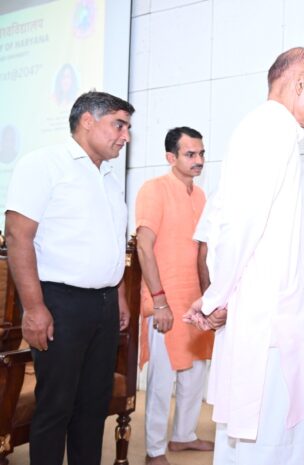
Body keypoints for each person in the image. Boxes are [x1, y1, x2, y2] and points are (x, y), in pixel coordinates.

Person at [183, 47, 304, 465]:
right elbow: (237, 227)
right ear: (299, 83)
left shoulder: (268, 130)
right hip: (267, 321)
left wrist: (219, 295)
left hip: (268, 316)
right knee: (264, 445)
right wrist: (216, 298)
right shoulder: (271, 129)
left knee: (267, 443)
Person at [4, 91, 133, 465]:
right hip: (60, 303)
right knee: (55, 408)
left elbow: (112, 243)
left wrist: (120, 296)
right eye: (118, 125)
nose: (125, 136)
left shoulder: (108, 177)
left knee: (93, 407)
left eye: (127, 128)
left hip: (105, 305)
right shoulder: (43, 164)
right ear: (87, 121)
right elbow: (17, 236)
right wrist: (33, 308)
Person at [135, 127, 215, 465]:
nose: (198, 161)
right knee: (162, 379)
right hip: (163, 300)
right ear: (171, 158)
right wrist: (160, 301)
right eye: (190, 154)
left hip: (193, 300)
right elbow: (143, 246)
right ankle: (155, 449)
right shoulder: (154, 190)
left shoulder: (200, 196)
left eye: (201, 154)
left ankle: (183, 436)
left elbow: (202, 252)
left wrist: (211, 298)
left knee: (195, 371)